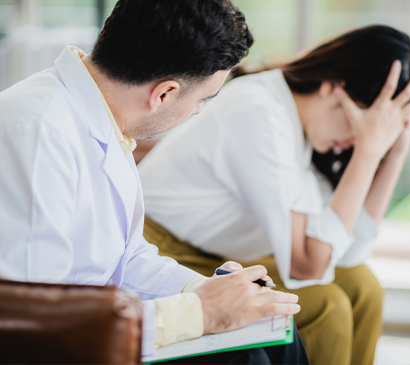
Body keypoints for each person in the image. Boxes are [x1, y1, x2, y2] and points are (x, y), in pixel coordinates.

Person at [0, 1, 310, 364]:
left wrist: (206, 290)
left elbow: (126, 258)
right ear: (163, 93)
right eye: (203, 99)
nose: (198, 111)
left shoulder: (103, 117)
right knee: (247, 359)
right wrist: (200, 312)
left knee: (275, 330)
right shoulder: (35, 133)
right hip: (61, 345)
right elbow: (34, 317)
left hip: (100, 323)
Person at [138, 25, 410, 365]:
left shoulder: (303, 127)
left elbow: (350, 252)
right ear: (334, 88)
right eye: (368, 124)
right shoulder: (259, 110)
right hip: (166, 251)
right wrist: (369, 151)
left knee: (363, 285)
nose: (360, 138)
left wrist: (394, 151)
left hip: (220, 253)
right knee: (327, 306)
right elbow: (307, 264)